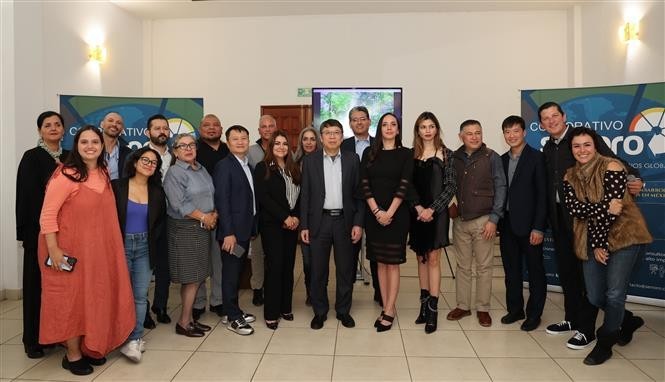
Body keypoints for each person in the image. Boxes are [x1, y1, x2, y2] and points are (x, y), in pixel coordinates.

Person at [540, 101, 643, 349]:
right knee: (567, 275)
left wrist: (634, 176)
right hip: (560, 220)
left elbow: (613, 160)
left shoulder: (581, 140)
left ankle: (587, 330)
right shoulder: (547, 149)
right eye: (546, 118)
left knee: (589, 280)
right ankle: (576, 319)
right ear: (542, 125)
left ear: (564, 117)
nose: (551, 120)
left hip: (586, 222)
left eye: (555, 115)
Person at [38, 125, 135, 375]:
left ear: (102, 146)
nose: (90, 146)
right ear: (76, 146)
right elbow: (47, 215)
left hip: (99, 253)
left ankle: (89, 345)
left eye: (95, 142)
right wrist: (54, 250)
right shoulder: (66, 175)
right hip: (69, 252)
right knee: (71, 302)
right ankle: (72, 355)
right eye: (84, 142)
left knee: (93, 298)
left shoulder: (102, 173)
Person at [563, 128, 652, 365]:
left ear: (595, 146)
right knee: (595, 294)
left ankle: (605, 343)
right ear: (571, 149)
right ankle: (628, 319)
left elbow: (616, 210)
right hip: (593, 240)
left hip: (624, 237)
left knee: (614, 294)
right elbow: (576, 209)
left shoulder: (612, 166)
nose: (582, 150)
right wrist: (598, 238)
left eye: (587, 145)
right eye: (577, 146)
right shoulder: (569, 175)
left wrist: (600, 241)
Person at [15, 111, 69, 359]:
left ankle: (56, 334)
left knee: (60, 287)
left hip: (66, 234)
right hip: (38, 233)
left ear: (64, 129)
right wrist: (27, 233)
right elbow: (25, 198)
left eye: (57, 124)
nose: (53, 128)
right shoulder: (32, 157)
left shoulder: (70, 157)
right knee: (36, 286)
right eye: (47, 125)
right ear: (40, 131)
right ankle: (33, 340)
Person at [301, 119, 363, 330]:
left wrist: (358, 223)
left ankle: (343, 310)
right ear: (321, 137)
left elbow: (358, 195)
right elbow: (306, 195)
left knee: (345, 270)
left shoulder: (352, 159)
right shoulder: (310, 161)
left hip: (345, 222)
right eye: (327, 133)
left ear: (342, 135)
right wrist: (304, 226)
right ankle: (320, 311)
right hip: (320, 222)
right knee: (318, 270)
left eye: (336, 132)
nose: (332, 136)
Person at [446, 120, 506, 327]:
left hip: (484, 221)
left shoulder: (492, 157)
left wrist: (494, 219)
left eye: (477, 133)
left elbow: (501, 188)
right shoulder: (453, 157)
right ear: (461, 136)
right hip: (460, 221)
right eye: (469, 133)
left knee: (484, 267)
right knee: (462, 266)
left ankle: (483, 308)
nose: (474, 137)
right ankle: (463, 306)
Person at [359, 112, 414, 332]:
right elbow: (364, 184)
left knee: (392, 263)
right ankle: (385, 305)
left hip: (397, 216)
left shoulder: (406, 154)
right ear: (380, 129)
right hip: (374, 217)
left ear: (398, 130)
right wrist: (376, 211)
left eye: (393, 124)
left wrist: (389, 212)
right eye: (385, 124)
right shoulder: (369, 153)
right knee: (380, 262)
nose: (389, 128)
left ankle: (390, 309)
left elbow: (404, 185)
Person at [112, 147, 167, 362]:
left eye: (154, 162)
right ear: (134, 162)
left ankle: (134, 339)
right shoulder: (117, 187)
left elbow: (160, 223)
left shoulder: (157, 192)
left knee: (140, 294)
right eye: (145, 159)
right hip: (122, 244)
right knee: (121, 294)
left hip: (145, 246)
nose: (149, 164)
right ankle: (119, 336)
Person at [163, 133, 216, 338]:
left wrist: (214, 214)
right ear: (175, 151)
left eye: (191, 145)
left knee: (198, 276)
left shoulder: (200, 169)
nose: (188, 149)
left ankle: (190, 320)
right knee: (191, 278)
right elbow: (179, 204)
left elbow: (212, 194)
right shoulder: (175, 173)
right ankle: (184, 322)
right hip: (186, 229)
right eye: (182, 146)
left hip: (203, 227)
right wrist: (205, 217)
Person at [498, 115, 547, 331]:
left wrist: (538, 226)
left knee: (535, 272)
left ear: (524, 132)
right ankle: (515, 309)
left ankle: (534, 314)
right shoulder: (502, 160)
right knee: (511, 270)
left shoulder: (537, 158)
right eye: (507, 132)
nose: (511, 135)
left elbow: (543, 195)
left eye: (515, 131)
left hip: (530, 226)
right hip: (507, 224)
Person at [408, 111, 456, 334]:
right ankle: (423, 305)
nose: (427, 130)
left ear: (437, 129)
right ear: (417, 131)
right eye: (423, 127)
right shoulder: (411, 155)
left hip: (437, 214)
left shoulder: (447, 154)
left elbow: (450, 187)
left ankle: (433, 310)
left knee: (434, 258)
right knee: (421, 257)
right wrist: (419, 208)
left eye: (431, 126)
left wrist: (431, 209)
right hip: (416, 213)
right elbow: (408, 186)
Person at [254, 131, 301, 330]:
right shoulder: (262, 167)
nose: (281, 147)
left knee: (288, 267)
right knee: (275, 267)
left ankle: (285, 307)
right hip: (273, 225)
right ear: (270, 147)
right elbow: (264, 198)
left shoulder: (294, 168)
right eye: (277, 144)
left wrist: (296, 216)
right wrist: (284, 217)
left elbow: (300, 194)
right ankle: (271, 312)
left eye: (284, 143)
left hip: (292, 225)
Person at [214, 125, 258, 335]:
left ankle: (232, 309)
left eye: (244, 138)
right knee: (231, 274)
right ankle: (233, 317)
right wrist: (228, 233)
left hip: (244, 230)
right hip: (232, 234)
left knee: (237, 271)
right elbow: (222, 202)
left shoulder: (246, 165)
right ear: (228, 142)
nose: (240, 142)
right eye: (235, 139)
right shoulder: (225, 166)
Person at [341, 106, 381, 305]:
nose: (359, 122)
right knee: (349, 253)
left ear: (369, 121)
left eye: (362, 119)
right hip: (351, 205)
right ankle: (346, 298)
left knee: (376, 251)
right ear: (350, 123)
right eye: (354, 119)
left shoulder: (380, 144)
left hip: (375, 204)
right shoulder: (342, 145)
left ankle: (380, 293)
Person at [192, 114, 229, 320]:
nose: (212, 128)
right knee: (199, 263)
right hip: (198, 216)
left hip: (222, 214)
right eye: (207, 125)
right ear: (200, 129)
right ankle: (197, 303)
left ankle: (218, 301)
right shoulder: (193, 150)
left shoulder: (228, 150)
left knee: (219, 262)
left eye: (216, 125)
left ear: (221, 129)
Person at [144, 114, 173, 327]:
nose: (162, 132)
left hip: (170, 218)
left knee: (165, 266)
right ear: (148, 132)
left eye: (165, 128)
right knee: (144, 267)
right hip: (145, 219)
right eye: (157, 128)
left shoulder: (176, 157)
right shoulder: (139, 156)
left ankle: (160, 305)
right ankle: (142, 309)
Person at [247, 115, 278, 306]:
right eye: (263, 127)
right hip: (258, 211)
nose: (267, 129)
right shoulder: (250, 151)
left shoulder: (284, 149)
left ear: (276, 128)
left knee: (275, 254)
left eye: (271, 126)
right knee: (257, 253)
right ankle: (257, 288)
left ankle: (275, 287)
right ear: (259, 130)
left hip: (278, 213)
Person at [293, 126, 322, 305]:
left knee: (320, 259)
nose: (309, 142)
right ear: (301, 142)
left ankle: (319, 292)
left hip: (319, 218)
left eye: (312, 139)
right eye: (305, 139)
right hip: (300, 218)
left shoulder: (322, 161)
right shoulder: (293, 163)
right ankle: (310, 292)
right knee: (308, 260)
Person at [100, 111, 132, 180]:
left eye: (118, 123)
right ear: (102, 124)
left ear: (122, 129)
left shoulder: (128, 154)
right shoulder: (90, 149)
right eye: (110, 121)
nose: (114, 124)